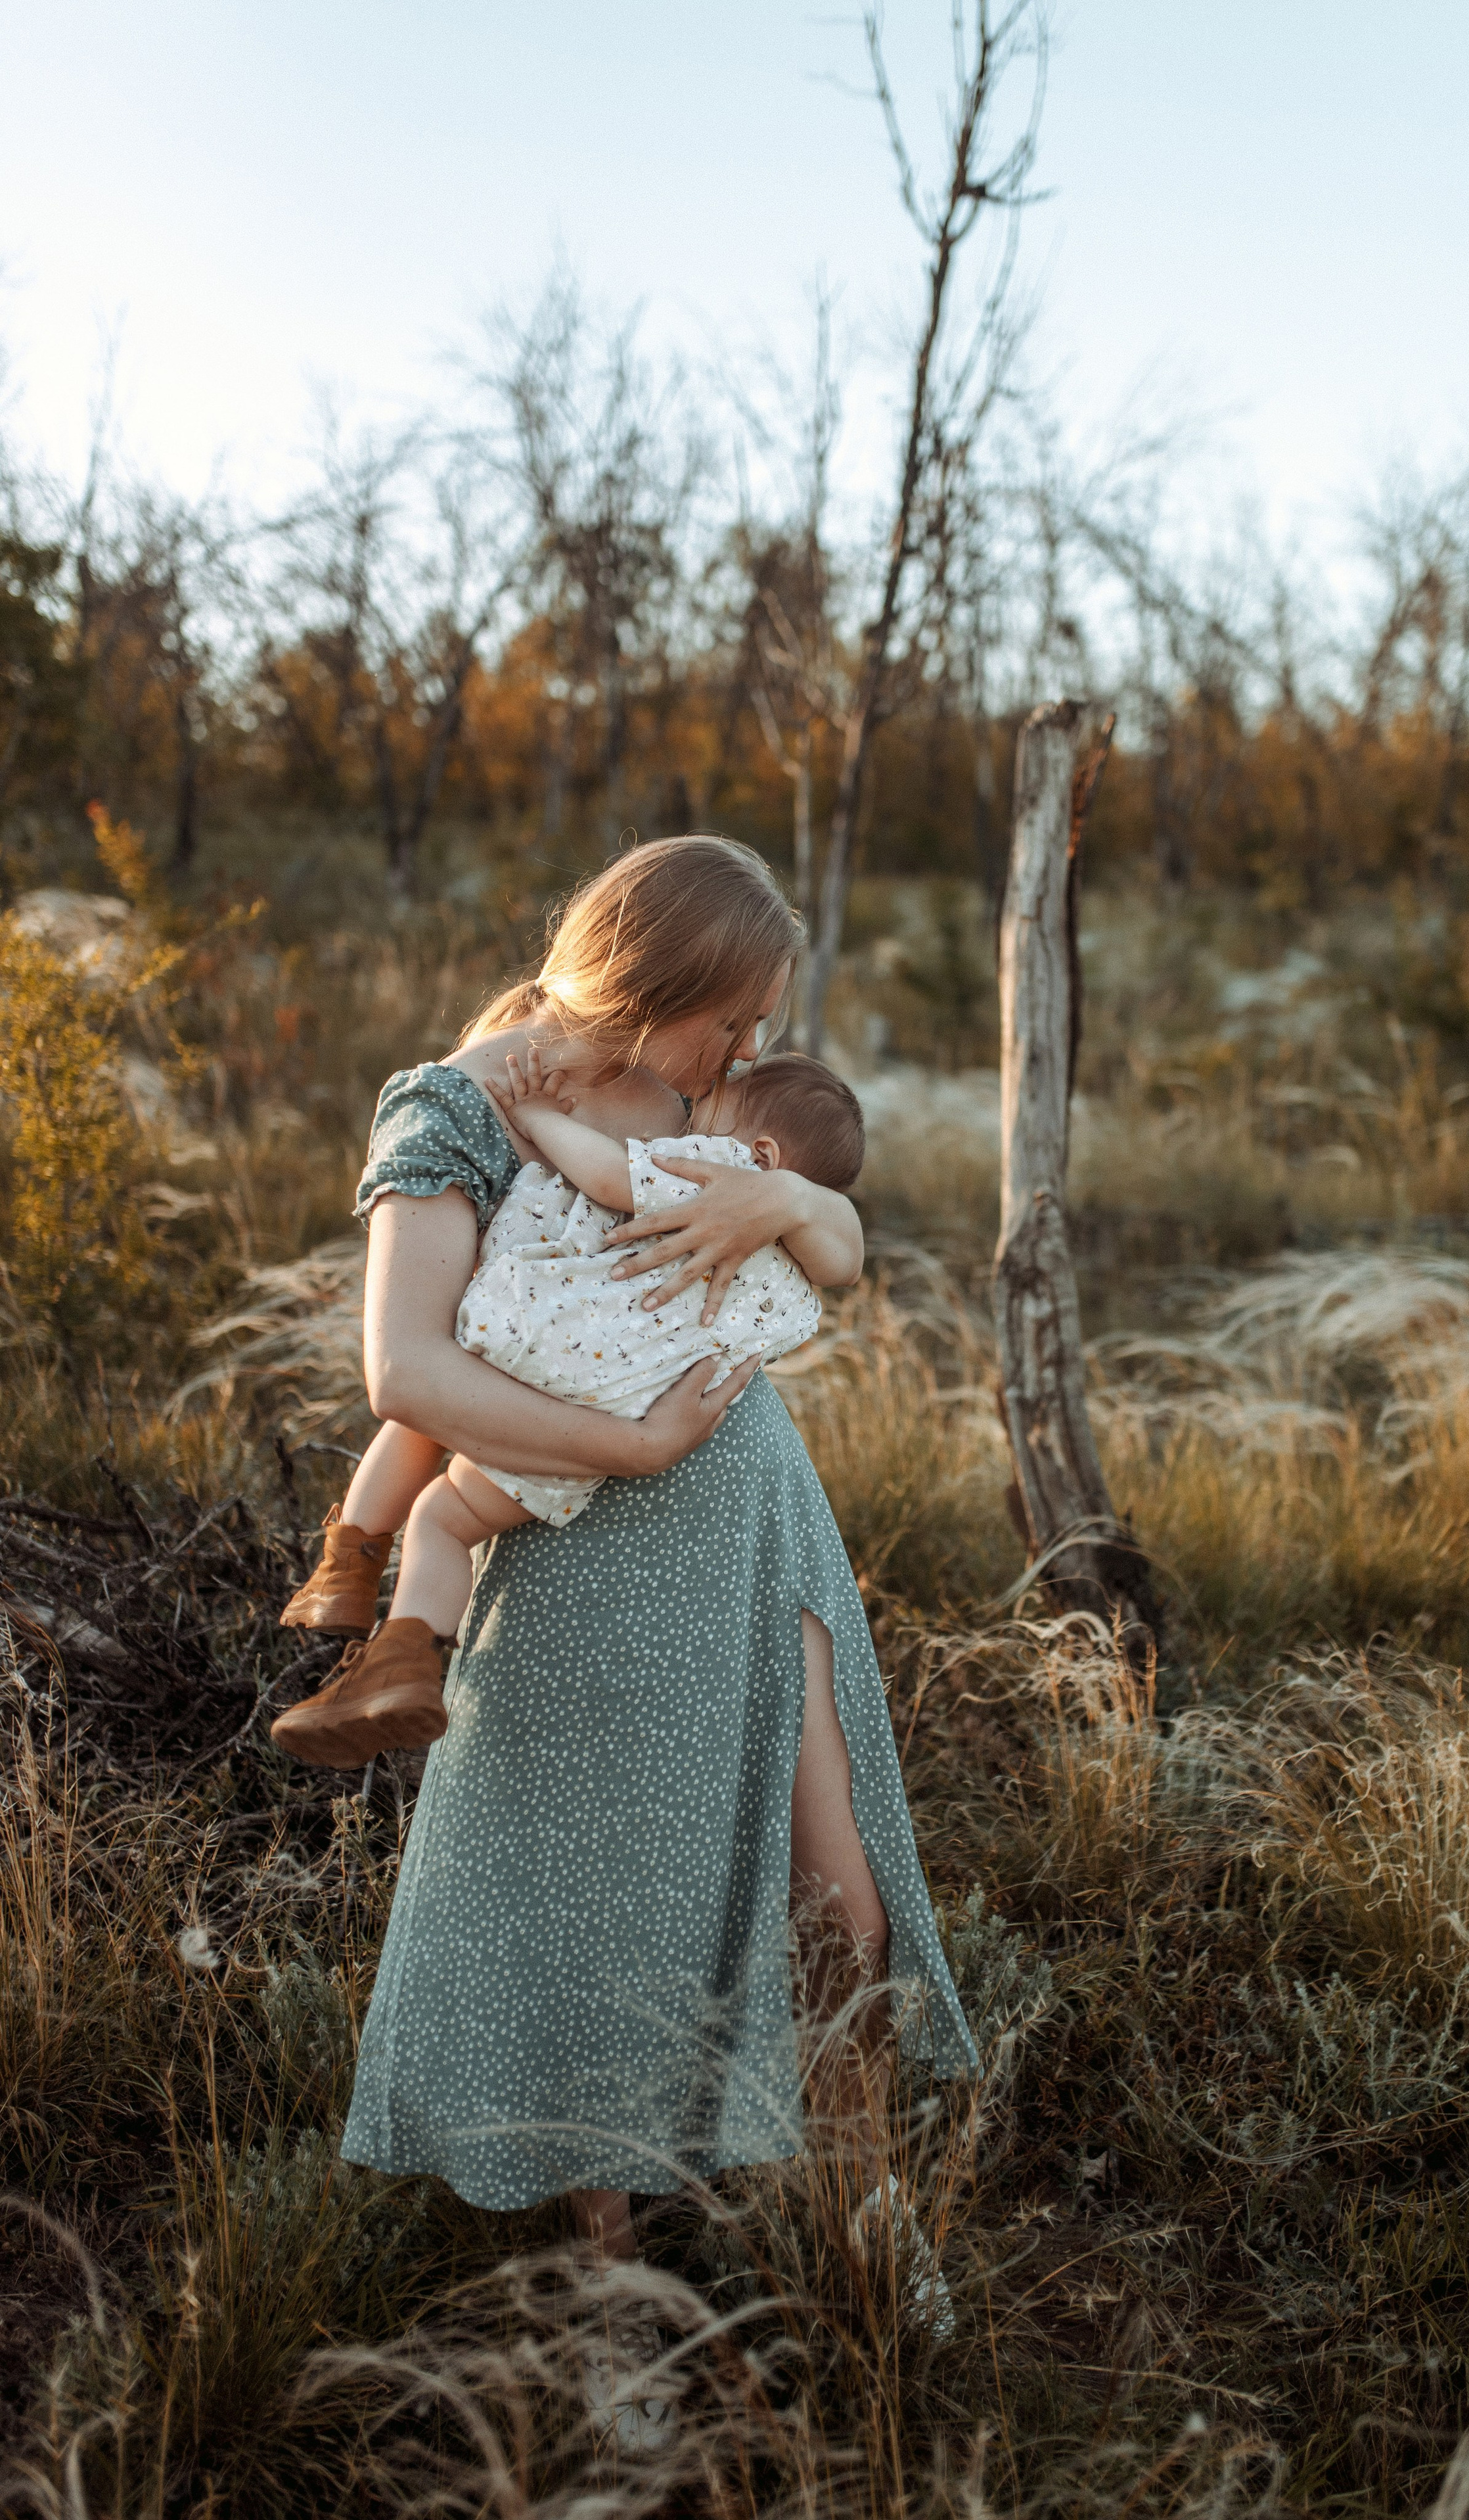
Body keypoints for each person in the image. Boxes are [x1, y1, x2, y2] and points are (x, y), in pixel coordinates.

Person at [300, 836, 974, 2295]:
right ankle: (614, 2300)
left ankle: (863, 2214)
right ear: (650, 976)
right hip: (576, 1552)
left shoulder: (685, 1096)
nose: (743, 1053)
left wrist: (791, 1205)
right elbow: (401, 1371)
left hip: (756, 1529)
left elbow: (841, 1233)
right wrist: (627, 1450)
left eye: (754, 1032)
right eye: (729, 1021)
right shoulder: (455, 1106)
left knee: (840, 1893)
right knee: (600, 1919)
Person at [271, 1045, 865, 1765]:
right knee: (445, 1518)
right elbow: (844, 1262)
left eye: (717, 1106)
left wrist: (535, 1114)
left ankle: (349, 1569)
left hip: (542, 1346)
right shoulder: (795, 1267)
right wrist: (797, 1204)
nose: (697, 1110)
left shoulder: (717, 1172)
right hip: (602, 1431)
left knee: (419, 1423)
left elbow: (612, 1176)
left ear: (759, 1151)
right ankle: (405, 1662)